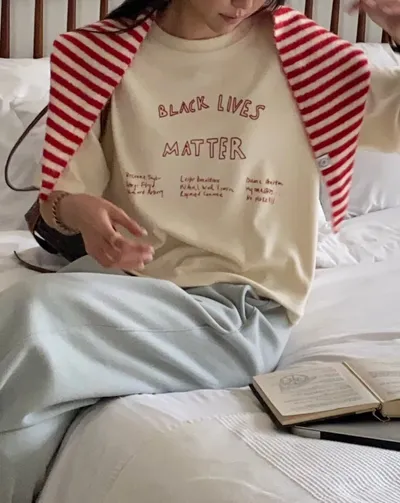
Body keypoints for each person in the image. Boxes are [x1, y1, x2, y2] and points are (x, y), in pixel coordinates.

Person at [2, 0, 400, 501]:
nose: (244, 3)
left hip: (241, 312)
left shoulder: (302, 55)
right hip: (124, 289)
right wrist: (78, 211)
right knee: (33, 385)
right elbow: (63, 197)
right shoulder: (97, 56)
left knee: (31, 319)